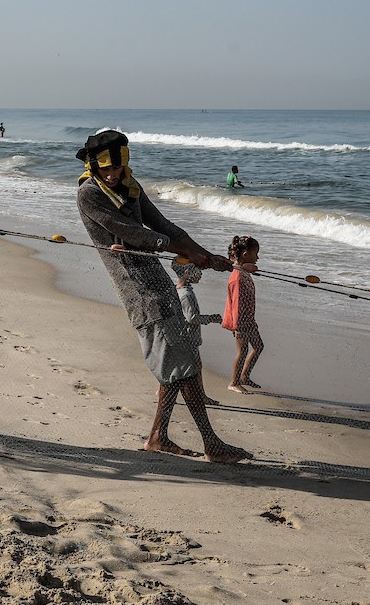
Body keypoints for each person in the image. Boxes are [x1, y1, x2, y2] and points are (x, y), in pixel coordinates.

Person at [75, 129, 250, 464]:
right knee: (183, 366)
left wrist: (206, 255)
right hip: (140, 292)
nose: (111, 175)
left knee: (180, 362)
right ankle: (212, 444)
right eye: (105, 170)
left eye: (116, 169)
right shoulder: (88, 194)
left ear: (125, 164)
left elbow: (165, 226)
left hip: (158, 281)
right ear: (94, 167)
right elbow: (136, 234)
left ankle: (158, 437)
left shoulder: (130, 186)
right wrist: (186, 252)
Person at [174, 263, 221, 406]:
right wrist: (211, 318)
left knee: (179, 368)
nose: (200, 274)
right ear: (187, 272)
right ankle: (200, 396)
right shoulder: (186, 294)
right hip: (189, 338)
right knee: (193, 368)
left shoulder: (178, 290)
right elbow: (192, 318)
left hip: (181, 336)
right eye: (198, 271)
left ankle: (199, 395)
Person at [223, 235, 263, 394]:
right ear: (246, 255)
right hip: (240, 322)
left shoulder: (240, 270)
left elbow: (245, 268)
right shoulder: (237, 278)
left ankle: (245, 376)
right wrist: (239, 327)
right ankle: (233, 382)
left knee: (259, 346)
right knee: (243, 351)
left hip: (249, 320)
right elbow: (237, 306)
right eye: (256, 254)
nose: (258, 257)